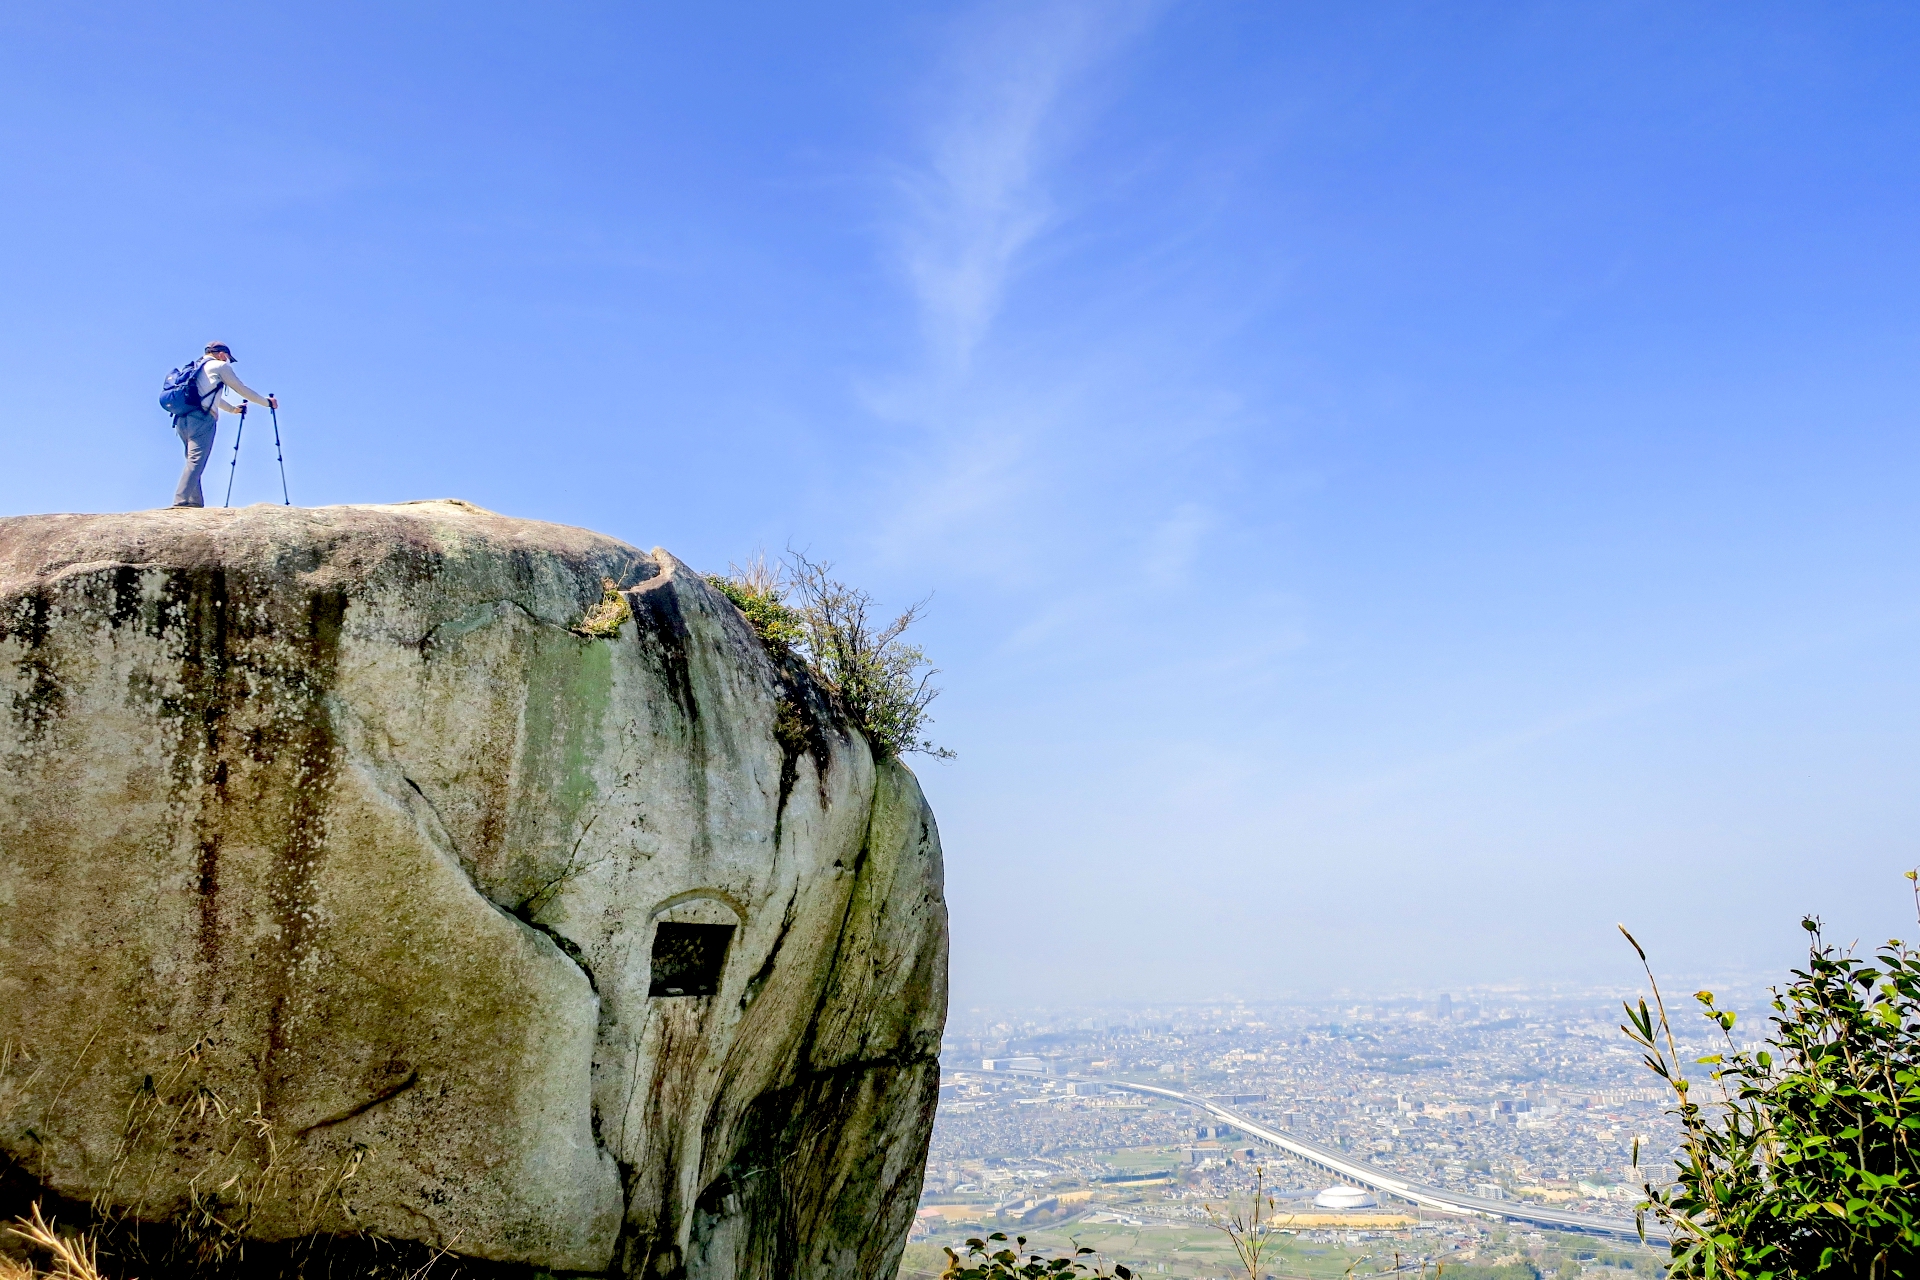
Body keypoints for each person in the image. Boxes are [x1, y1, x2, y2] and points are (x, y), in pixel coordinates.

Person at [172, 342, 276, 509]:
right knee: (196, 462)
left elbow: (209, 395)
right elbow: (241, 389)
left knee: (192, 462)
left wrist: (232, 409)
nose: (227, 361)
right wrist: (266, 403)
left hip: (181, 418)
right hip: (202, 418)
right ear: (221, 354)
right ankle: (181, 501)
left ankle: (194, 503)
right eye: (227, 357)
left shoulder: (195, 368)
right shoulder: (220, 366)